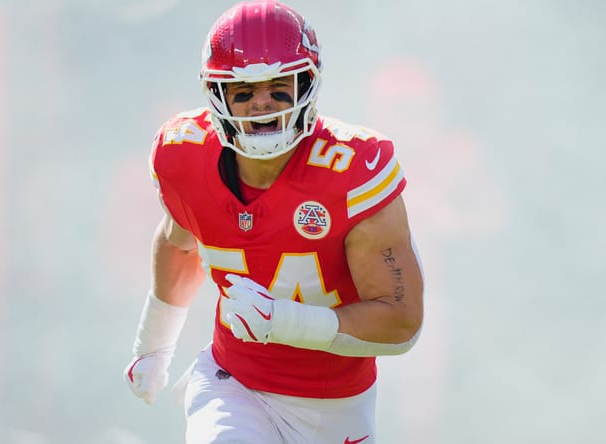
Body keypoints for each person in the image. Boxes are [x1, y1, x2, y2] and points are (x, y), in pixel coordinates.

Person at [123, 1, 425, 442]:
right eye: (243, 91)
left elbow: (402, 322)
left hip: (334, 404)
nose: (262, 104)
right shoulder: (185, 154)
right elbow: (180, 240)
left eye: (278, 86)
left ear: (307, 84)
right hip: (234, 383)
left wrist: (284, 322)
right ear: (217, 96)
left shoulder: (353, 171)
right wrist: (154, 343)